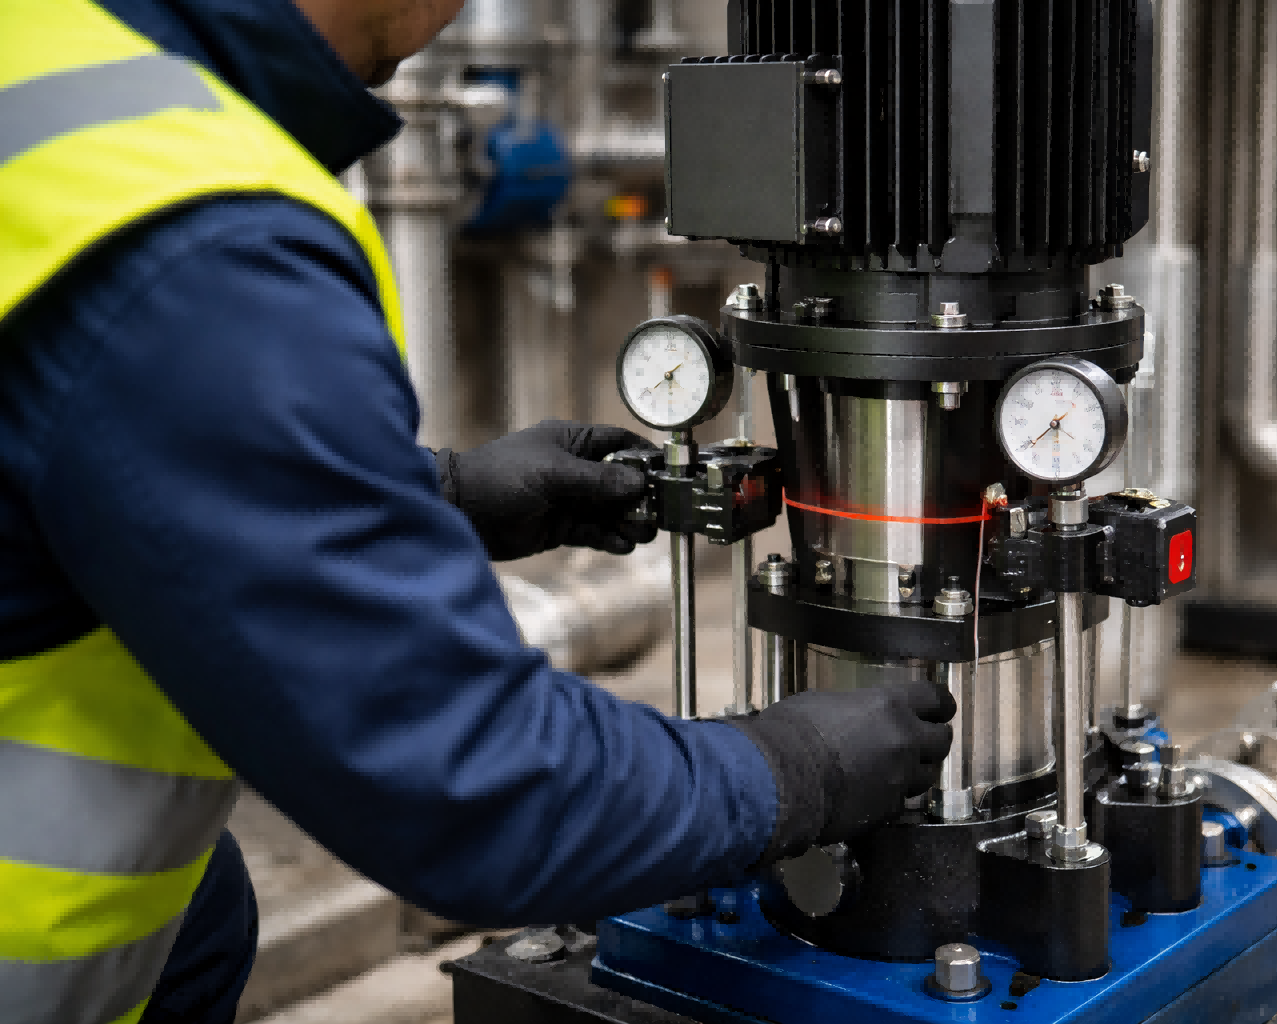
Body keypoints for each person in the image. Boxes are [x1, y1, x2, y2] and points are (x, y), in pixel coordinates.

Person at [0, 1, 957, 1022]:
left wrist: (442, 494)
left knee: (201, 906)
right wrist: (787, 771)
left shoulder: (52, 75)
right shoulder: (193, 229)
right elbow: (472, 783)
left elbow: (109, 456)